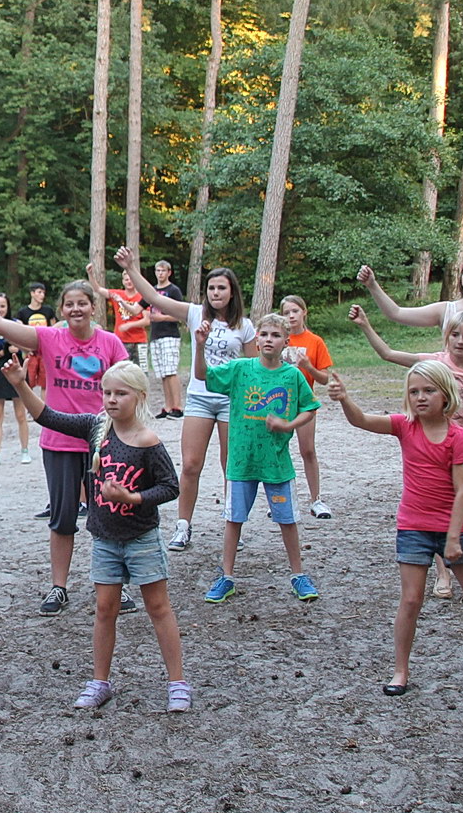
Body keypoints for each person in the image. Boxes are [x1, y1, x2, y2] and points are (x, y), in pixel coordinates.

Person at [327, 363, 463, 696]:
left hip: (454, 528)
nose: (420, 397)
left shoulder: (457, 436)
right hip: (413, 527)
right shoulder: (404, 426)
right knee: (411, 600)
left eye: (428, 390)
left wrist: (453, 538)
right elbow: (361, 420)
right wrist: (344, 399)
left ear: (445, 394)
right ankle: (400, 672)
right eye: (414, 392)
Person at [5, 357, 188, 712]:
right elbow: (48, 417)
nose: (112, 399)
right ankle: (100, 681)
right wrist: (19, 384)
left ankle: (177, 682)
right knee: (105, 609)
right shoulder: (95, 428)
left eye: (121, 393)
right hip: (104, 539)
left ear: (139, 397)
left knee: (158, 607)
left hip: (142, 539)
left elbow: (170, 487)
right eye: (107, 393)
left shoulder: (148, 441)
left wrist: (133, 498)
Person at [0, 266, 128, 615]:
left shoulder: (110, 343)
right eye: (69, 304)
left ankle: (115, 583)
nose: (76, 309)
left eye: (82, 303)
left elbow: (129, 386)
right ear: (61, 310)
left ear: (93, 307)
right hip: (59, 441)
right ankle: (59, 587)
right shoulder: (49, 339)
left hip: (102, 441)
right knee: (62, 518)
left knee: (108, 516)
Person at [349, 305, 463, 595]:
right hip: (433, 449)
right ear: (446, 337)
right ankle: (443, 575)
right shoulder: (435, 363)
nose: (460, 341)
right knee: (439, 509)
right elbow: (388, 354)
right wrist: (365, 325)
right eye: (455, 334)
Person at [113, 250, 255, 552]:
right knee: (190, 465)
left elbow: (255, 369)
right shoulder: (194, 313)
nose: (216, 293)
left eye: (221, 288)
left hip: (231, 402)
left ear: (232, 292)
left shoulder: (244, 325)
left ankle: (234, 525)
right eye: (211, 288)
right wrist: (131, 267)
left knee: (231, 466)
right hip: (200, 399)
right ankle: (183, 525)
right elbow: (154, 297)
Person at [357, 256, 463, 486]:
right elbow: (396, 313)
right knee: (449, 463)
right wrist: (372, 285)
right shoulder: (447, 309)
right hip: (450, 399)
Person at [193, 314, 321, 604]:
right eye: (264, 334)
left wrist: (288, 425)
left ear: (286, 341)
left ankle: (298, 574)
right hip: (241, 462)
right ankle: (226, 576)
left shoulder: (293, 376)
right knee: (233, 518)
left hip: (276, 462)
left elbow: (310, 407)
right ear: (257, 339)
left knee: (287, 519)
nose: (268, 340)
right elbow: (204, 376)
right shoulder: (240, 369)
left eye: (275, 335)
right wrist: (200, 346)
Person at [277, 295, 333, 519]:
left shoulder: (315, 341)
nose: (291, 316)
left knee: (307, 450)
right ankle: (278, 499)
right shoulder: (278, 338)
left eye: (295, 311)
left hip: (303, 401)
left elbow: (324, 379)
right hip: (279, 401)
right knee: (277, 450)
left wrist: (309, 366)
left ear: (304, 312)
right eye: (286, 312)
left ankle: (315, 499)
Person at [0, 293, 31, 465]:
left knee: (20, 414)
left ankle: (25, 450)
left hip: (16, 367)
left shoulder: (17, 324)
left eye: (2, 306)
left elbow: (27, 348)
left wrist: (16, 346)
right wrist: (4, 350)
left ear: (8, 307)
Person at [94, 270, 151, 383]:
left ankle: (143, 392)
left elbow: (147, 320)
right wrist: (91, 274)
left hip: (139, 341)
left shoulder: (141, 297)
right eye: (126, 279)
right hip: (121, 340)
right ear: (123, 281)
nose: (129, 282)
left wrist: (130, 325)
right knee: (122, 372)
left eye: (131, 279)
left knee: (141, 372)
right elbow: (98, 289)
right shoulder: (117, 295)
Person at [147, 260, 186, 418]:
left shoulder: (173, 290)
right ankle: (168, 406)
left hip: (170, 334)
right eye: (157, 270)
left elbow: (181, 315)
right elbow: (137, 307)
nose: (160, 273)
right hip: (155, 335)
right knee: (163, 373)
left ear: (169, 272)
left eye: (163, 270)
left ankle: (178, 407)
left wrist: (162, 318)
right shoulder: (152, 291)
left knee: (171, 371)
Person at [13, 282, 56, 395]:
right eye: (39, 292)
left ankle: (45, 405)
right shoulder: (23, 312)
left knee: (45, 383)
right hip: (30, 351)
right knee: (28, 381)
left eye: (43, 293)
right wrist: (25, 348)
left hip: (45, 350)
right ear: (32, 293)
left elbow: (54, 329)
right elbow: (20, 332)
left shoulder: (48, 311)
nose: (42, 295)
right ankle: (29, 404)